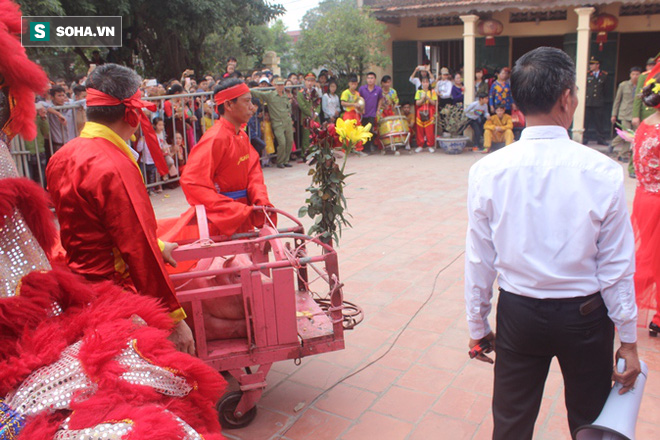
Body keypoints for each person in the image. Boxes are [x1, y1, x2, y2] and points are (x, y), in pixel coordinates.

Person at [465, 46, 640, 440]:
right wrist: (627, 339)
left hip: (518, 313)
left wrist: (478, 323)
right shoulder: (604, 172)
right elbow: (615, 267)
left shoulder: (487, 171)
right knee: (591, 419)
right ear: (566, 99)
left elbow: (480, 258)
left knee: (510, 421)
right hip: (586, 318)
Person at [45, 63, 194, 355]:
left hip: (78, 292)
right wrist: (174, 320)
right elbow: (137, 248)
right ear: (133, 114)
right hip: (114, 296)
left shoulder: (61, 157)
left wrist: (159, 243)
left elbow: (94, 226)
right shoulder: (113, 165)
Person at [170, 78, 273, 239]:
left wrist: (260, 200)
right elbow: (192, 181)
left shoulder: (241, 136)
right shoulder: (216, 138)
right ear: (229, 105)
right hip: (223, 222)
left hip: (242, 214)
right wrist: (229, 209)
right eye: (246, 102)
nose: (252, 107)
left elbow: (253, 172)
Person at [630, 63, 660, 337]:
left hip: (643, 198)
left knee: (646, 255)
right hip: (658, 201)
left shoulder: (645, 125)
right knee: (652, 259)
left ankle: (625, 303)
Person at [251, 77, 295, 168]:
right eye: (278, 85)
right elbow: (258, 94)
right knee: (282, 142)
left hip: (287, 121)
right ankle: (280, 161)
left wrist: (290, 116)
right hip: (277, 122)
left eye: (282, 85)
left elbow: (288, 107)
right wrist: (248, 90)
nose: (280, 87)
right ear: (274, 85)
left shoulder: (285, 95)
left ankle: (285, 160)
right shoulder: (270, 95)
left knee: (289, 141)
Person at [631, 56, 659, 178]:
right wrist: (635, 115)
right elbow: (639, 98)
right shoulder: (646, 76)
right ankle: (633, 168)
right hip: (649, 114)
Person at [610, 66, 642, 159]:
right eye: (633, 74)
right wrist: (614, 114)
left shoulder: (642, 86)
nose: (635, 76)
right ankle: (614, 145)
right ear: (630, 75)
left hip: (636, 114)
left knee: (632, 136)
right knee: (627, 133)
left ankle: (622, 154)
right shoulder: (623, 85)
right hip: (624, 113)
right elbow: (617, 100)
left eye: (637, 74)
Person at [583, 56, 609, 145]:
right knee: (585, 122)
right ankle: (585, 138)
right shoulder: (587, 75)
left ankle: (600, 139)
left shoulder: (604, 75)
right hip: (588, 102)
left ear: (597, 65)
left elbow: (605, 90)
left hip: (598, 103)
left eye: (592, 64)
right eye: (590, 64)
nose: (590, 66)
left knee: (599, 122)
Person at [359, 72, 383, 152]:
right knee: (363, 130)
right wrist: (361, 109)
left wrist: (378, 109)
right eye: (368, 78)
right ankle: (363, 147)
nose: (370, 80)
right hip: (363, 113)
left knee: (370, 130)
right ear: (366, 79)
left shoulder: (378, 89)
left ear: (375, 79)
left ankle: (368, 148)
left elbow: (380, 99)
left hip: (372, 113)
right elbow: (359, 99)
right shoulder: (362, 89)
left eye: (372, 78)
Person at [297, 73, 321, 154]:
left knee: (316, 136)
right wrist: (311, 114)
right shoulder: (301, 93)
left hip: (315, 118)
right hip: (306, 118)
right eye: (308, 81)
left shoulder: (315, 92)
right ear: (305, 81)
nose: (310, 83)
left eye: (312, 81)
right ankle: (305, 154)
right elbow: (302, 106)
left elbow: (318, 103)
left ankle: (316, 153)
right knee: (306, 138)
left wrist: (316, 113)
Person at [414, 76, 437, 153]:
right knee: (419, 129)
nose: (425, 84)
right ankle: (420, 145)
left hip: (429, 111)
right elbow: (417, 103)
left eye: (427, 82)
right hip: (420, 111)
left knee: (430, 129)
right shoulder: (418, 92)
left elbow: (434, 103)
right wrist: (422, 99)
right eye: (424, 82)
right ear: (421, 83)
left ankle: (430, 145)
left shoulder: (432, 92)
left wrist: (428, 98)